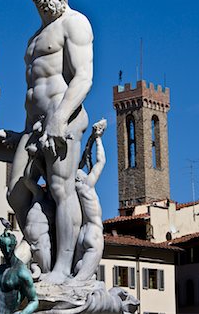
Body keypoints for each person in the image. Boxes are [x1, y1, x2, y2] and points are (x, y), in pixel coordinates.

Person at [7, 0, 93, 284]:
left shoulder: (75, 23)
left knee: (61, 188)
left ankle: (62, 268)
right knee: (15, 194)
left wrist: (58, 118)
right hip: (33, 127)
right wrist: (23, 132)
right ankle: (43, 256)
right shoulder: (34, 39)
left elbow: (83, 77)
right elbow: (34, 89)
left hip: (64, 117)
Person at [73, 120, 107, 283]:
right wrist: (98, 139)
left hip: (81, 234)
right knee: (82, 279)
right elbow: (101, 162)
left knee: (77, 273)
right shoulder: (87, 185)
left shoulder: (74, 190)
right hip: (93, 231)